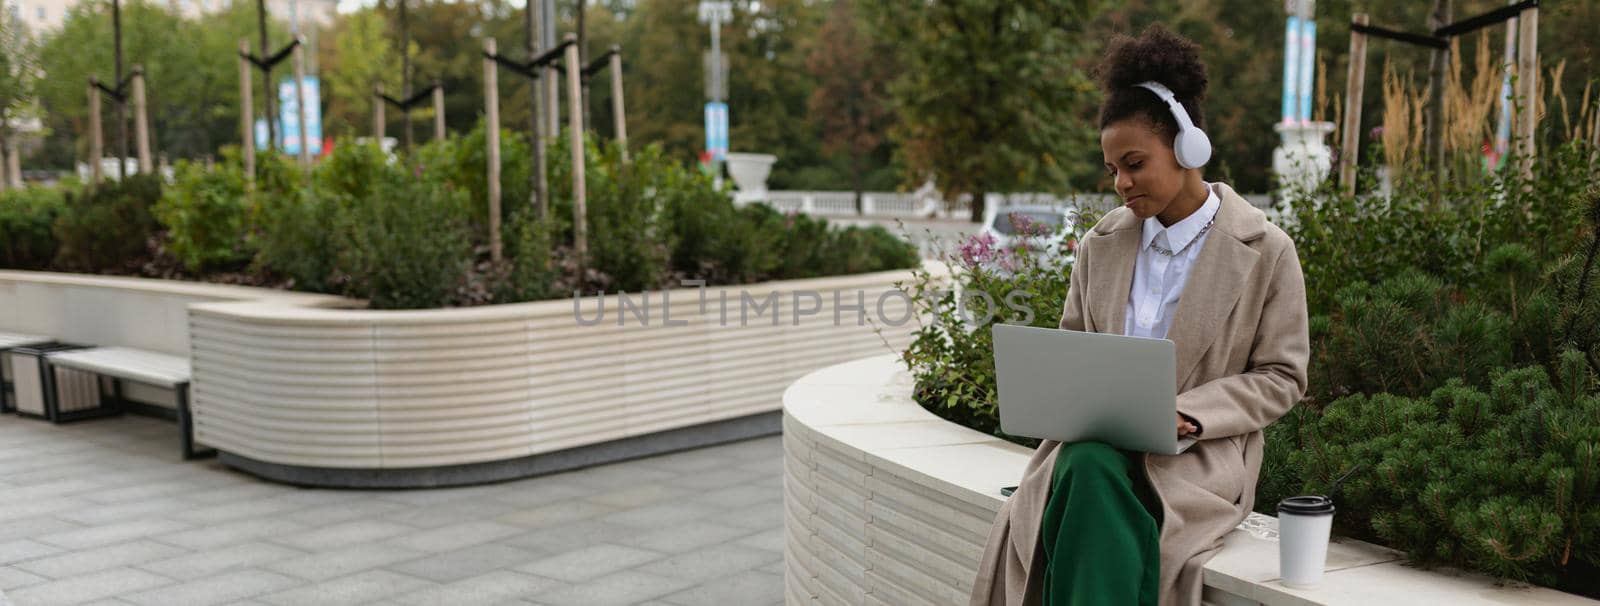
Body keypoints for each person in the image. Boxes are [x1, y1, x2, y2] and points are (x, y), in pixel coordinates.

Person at [969, 25, 1311, 606]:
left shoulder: (1266, 249)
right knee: (1086, 465)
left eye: (1134, 163)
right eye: (1112, 170)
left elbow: (1283, 377)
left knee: (1085, 477)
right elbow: (1072, 356)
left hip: (1197, 460)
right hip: (1095, 446)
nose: (1122, 184)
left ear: (1186, 148)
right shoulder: (1097, 247)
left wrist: (1189, 413)